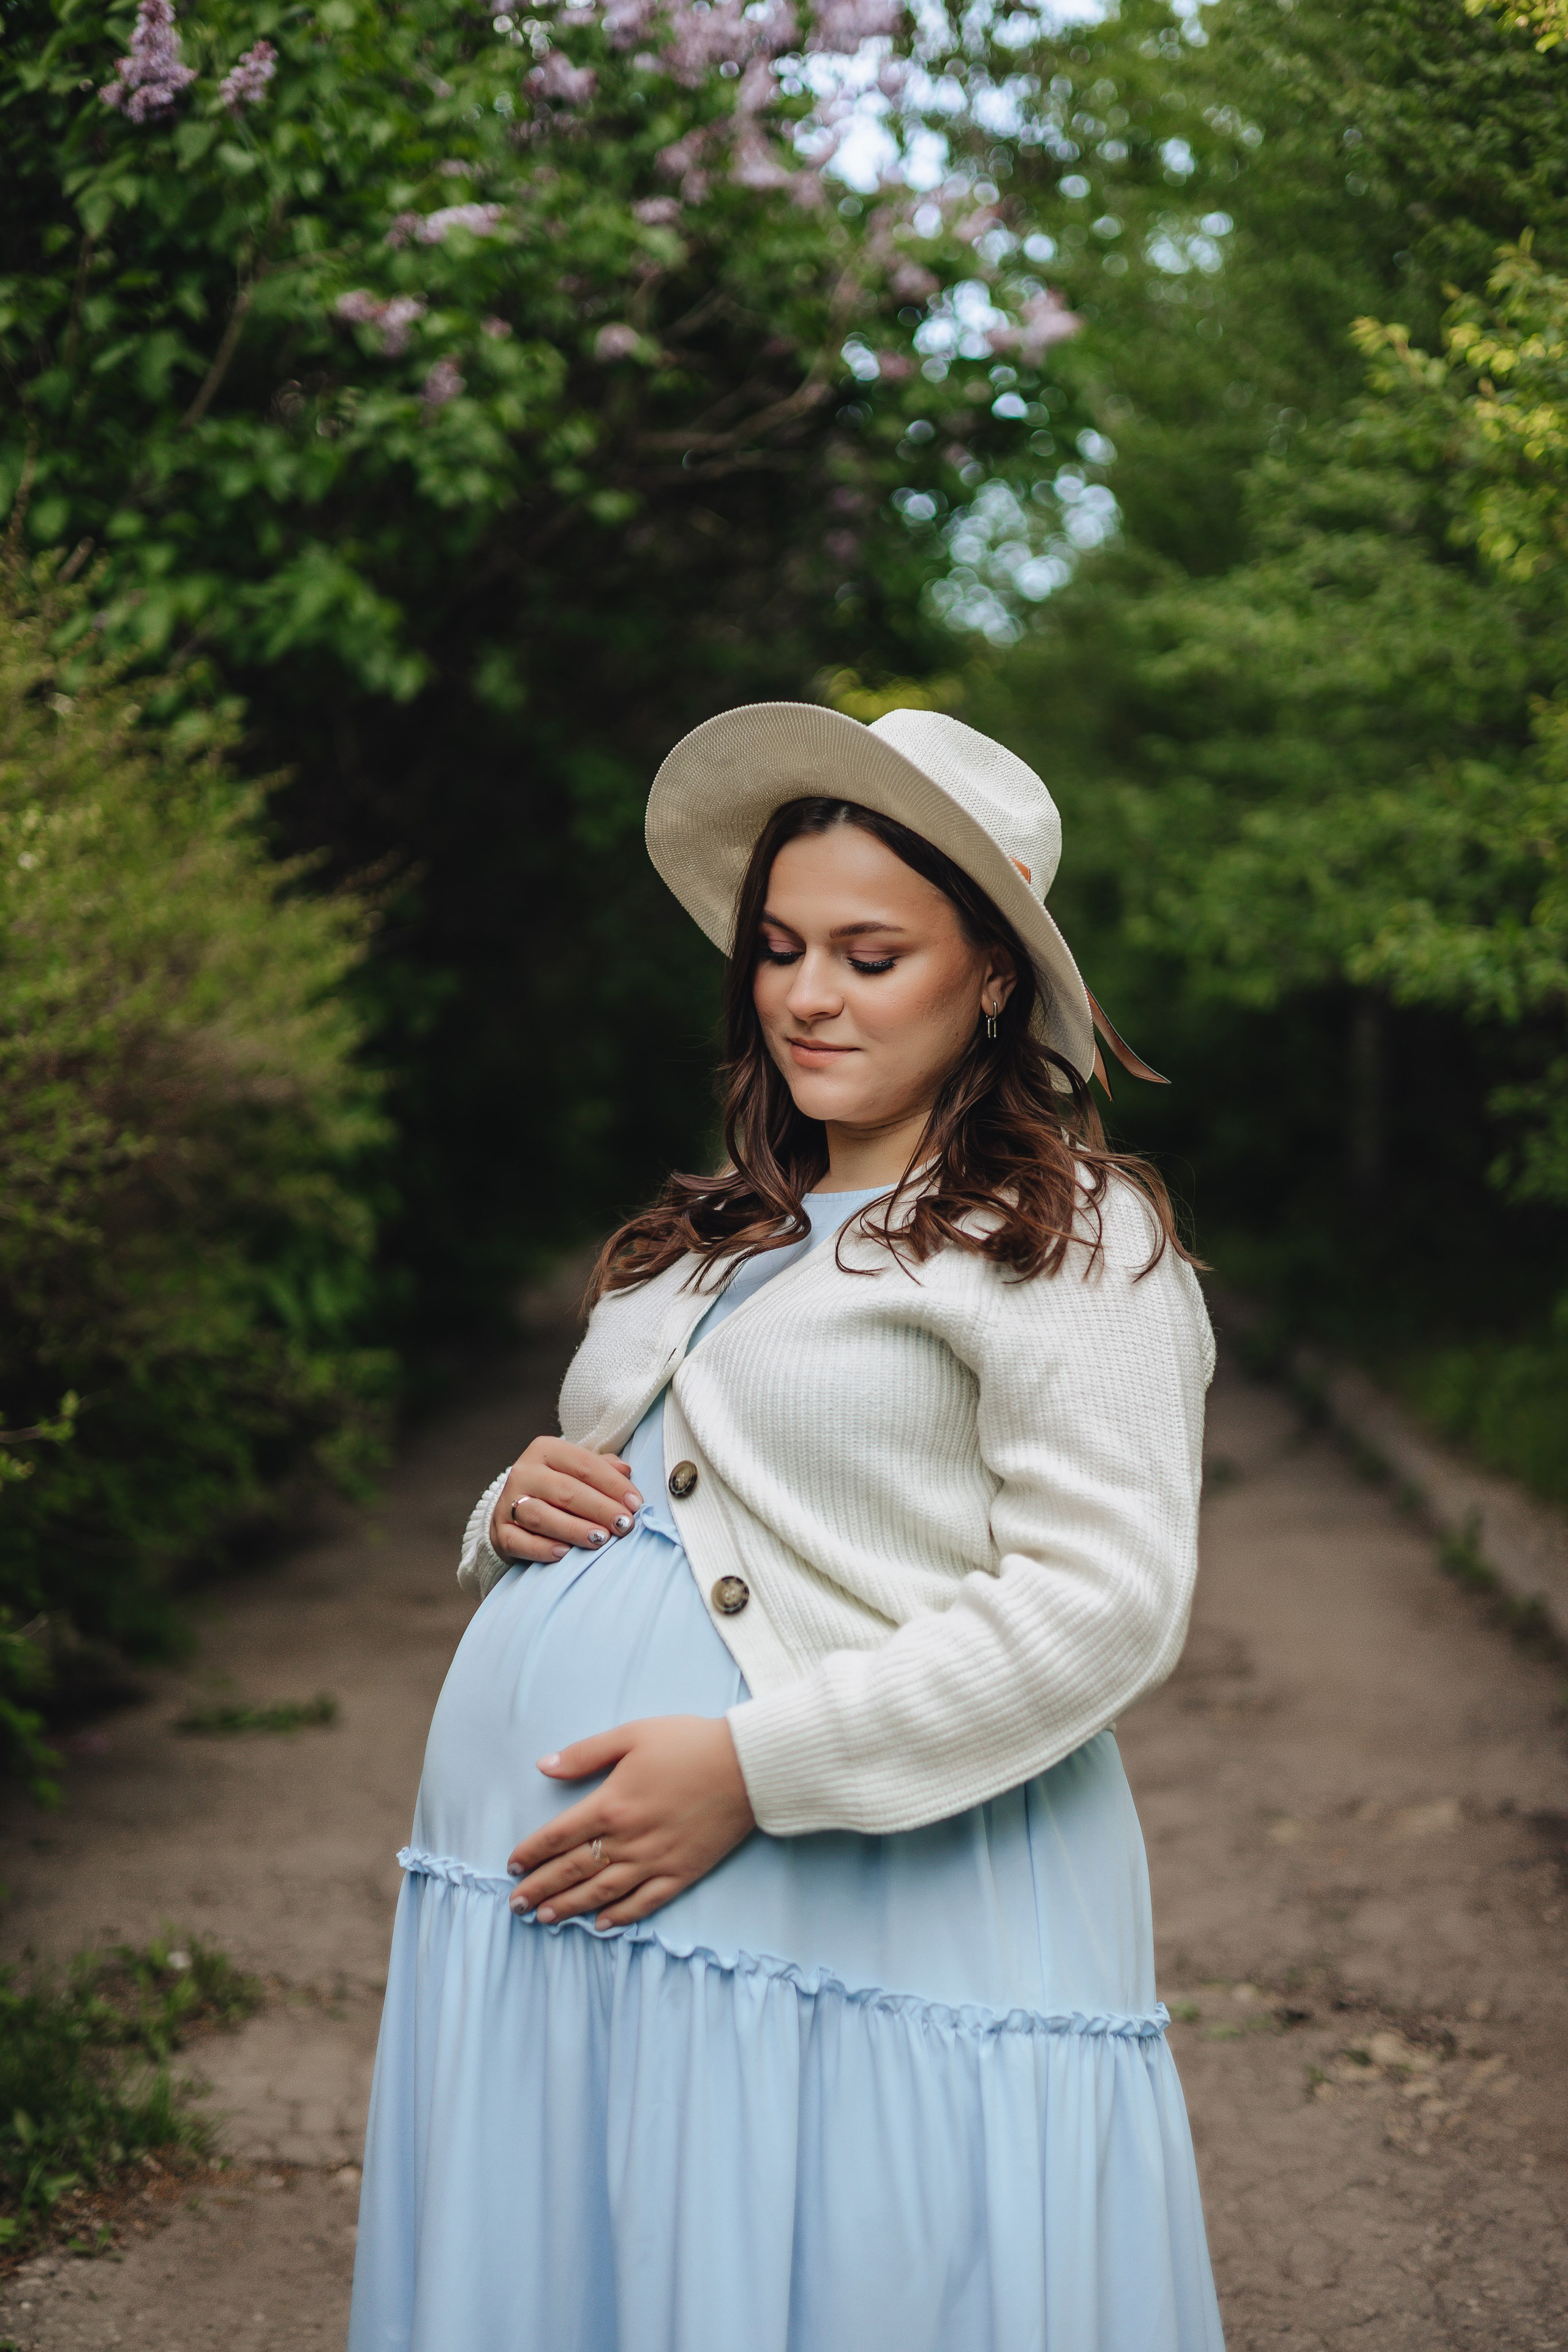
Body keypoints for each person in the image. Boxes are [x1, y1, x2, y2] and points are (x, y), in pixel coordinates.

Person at [347, 701, 1226, 2352]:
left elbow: (1106, 1601)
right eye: (779, 948)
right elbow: (664, 1480)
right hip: (564, 1918)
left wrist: (754, 1769)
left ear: (990, 979)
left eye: (869, 956)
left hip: (842, 1908)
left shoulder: (1070, 1239)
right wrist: (511, 1505)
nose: (807, 994)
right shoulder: (711, 1231)